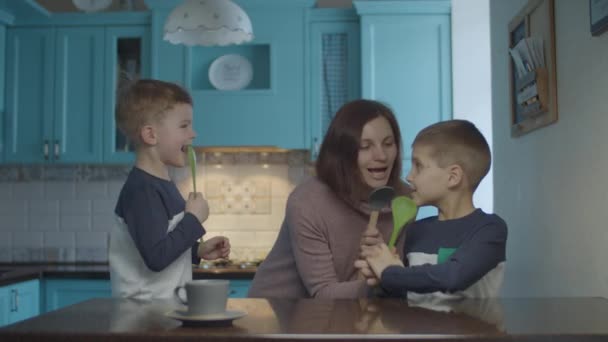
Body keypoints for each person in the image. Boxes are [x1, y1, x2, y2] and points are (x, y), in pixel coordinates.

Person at [247, 99, 411, 299]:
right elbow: (323, 293)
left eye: (388, 143)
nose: (381, 155)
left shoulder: (404, 200)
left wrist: (384, 269)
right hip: (278, 314)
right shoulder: (308, 202)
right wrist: (380, 282)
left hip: (350, 314)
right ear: (343, 153)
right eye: (365, 146)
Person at [357, 119, 507, 300]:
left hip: (475, 330)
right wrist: (381, 279)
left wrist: (390, 272)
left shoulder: (490, 229)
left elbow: (453, 277)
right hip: (419, 328)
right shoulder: (416, 230)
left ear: (453, 177)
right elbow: (409, 294)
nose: (409, 176)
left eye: (418, 166)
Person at [109, 79, 230, 300]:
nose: (193, 133)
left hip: (162, 310)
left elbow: (162, 242)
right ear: (151, 135)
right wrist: (193, 219)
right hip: (142, 315)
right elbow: (156, 257)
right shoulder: (142, 191)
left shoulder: (161, 183)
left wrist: (196, 251)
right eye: (184, 126)